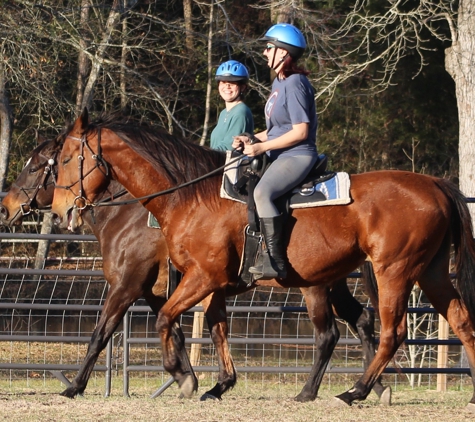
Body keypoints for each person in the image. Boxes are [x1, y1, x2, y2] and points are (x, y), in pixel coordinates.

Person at [232, 23, 319, 280]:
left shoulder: (295, 83)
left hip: (298, 154)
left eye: (269, 47)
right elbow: (276, 130)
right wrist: (249, 137)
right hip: (279, 152)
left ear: (283, 53)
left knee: (262, 192)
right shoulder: (279, 84)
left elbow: (300, 131)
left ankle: (276, 260)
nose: (264, 52)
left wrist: (262, 147)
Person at [210, 60, 254, 151]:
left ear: (242, 87)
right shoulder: (223, 113)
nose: (227, 86)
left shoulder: (241, 112)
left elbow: (227, 148)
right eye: (223, 82)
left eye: (232, 82)